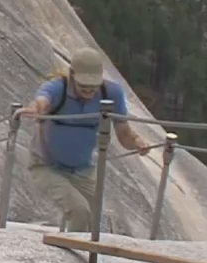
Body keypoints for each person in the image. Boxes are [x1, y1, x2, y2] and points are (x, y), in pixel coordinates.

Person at [16, 48, 150, 232]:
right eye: (83, 86)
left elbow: (124, 134)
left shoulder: (111, 93)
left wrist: (138, 143)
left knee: (94, 223)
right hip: (47, 166)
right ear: (72, 76)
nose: (88, 91)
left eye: (93, 87)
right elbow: (42, 100)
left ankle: (78, 252)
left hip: (83, 170)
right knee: (79, 211)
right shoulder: (58, 88)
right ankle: (69, 255)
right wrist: (35, 109)